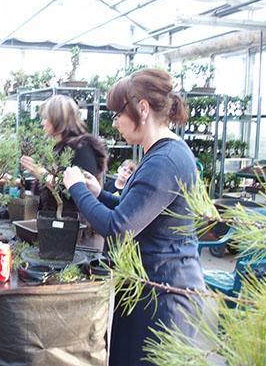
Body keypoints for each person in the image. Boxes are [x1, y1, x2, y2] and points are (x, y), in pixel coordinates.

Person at [63, 68, 206, 365]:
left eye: (117, 114)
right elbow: (138, 212)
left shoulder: (165, 160)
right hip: (147, 286)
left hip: (163, 297)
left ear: (142, 108)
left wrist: (76, 188)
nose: (115, 123)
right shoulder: (159, 153)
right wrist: (99, 193)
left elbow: (117, 226)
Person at [20, 94, 108, 224]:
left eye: (45, 118)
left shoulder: (82, 147)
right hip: (52, 222)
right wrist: (17, 182)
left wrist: (42, 173)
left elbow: (80, 192)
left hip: (75, 227)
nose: (42, 123)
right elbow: (46, 185)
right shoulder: (55, 147)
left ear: (58, 119)